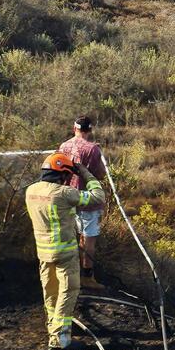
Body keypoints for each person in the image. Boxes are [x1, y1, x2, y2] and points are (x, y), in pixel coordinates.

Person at [25, 153, 106, 350]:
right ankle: (60, 340)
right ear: (61, 174)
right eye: (67, 175)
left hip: (43, 253)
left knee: (50, 292)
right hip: (65, 253)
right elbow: (98, 197)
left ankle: (54, 328)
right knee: (68, 291)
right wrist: (85, 173)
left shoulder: (31, 191)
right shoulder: (64, 193)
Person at [58, 116, 107, 290]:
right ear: (90, 130)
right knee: (88, 240)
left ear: (75, 129)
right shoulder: (93, 149)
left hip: (67, 198)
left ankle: (70, 275)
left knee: (70, 238)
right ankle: (87, 277)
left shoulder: (63, 146)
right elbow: (101, 175)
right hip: (88, 201)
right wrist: (99, 156)